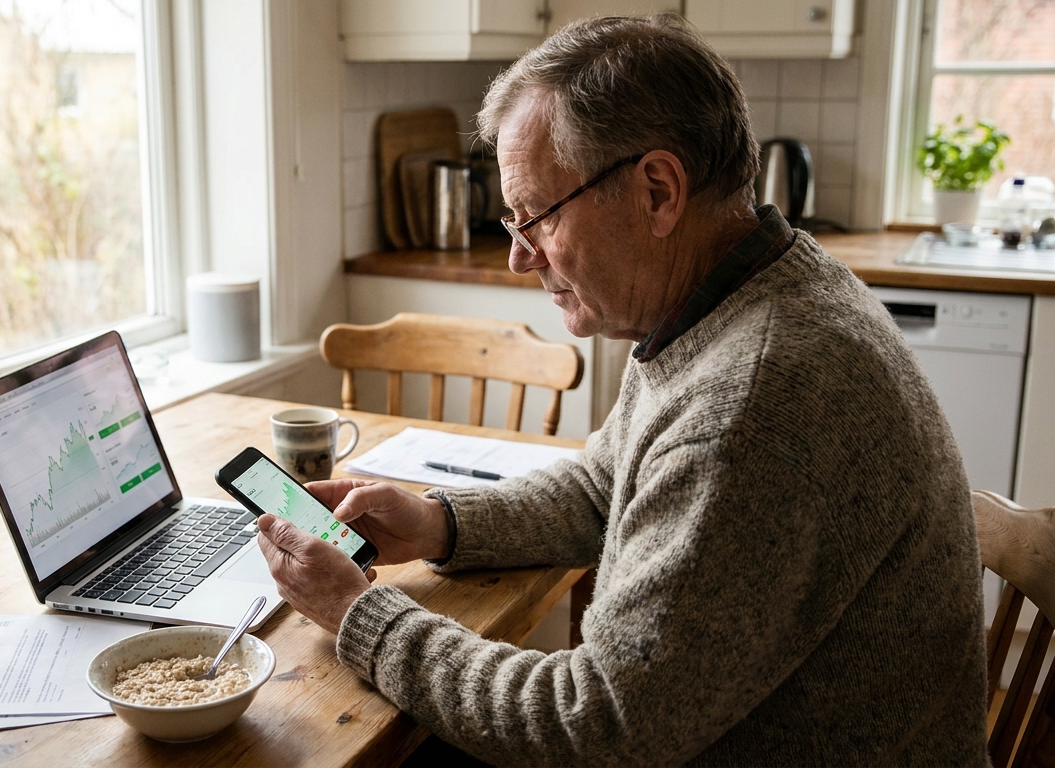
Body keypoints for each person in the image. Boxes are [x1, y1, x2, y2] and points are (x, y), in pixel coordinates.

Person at [255, 14, 988, 766]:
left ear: (659, 191)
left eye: (535, 216)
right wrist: (438, 524)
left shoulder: (752, 406)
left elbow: (594, 724)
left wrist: (355, 612)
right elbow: (610, 483)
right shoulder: (734, 292)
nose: (517, 257)